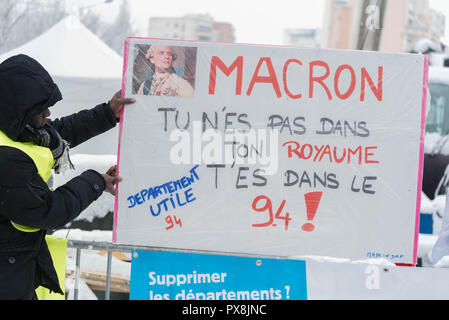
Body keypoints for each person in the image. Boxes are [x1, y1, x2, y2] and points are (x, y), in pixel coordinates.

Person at [0, 54, 135, 300]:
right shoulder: (7, 159)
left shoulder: (15, 130)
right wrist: (96, 181)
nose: (49, 112)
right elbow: (48, 211)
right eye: (41, 108)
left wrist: (108, 113)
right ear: (19, 111)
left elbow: (59, 132)